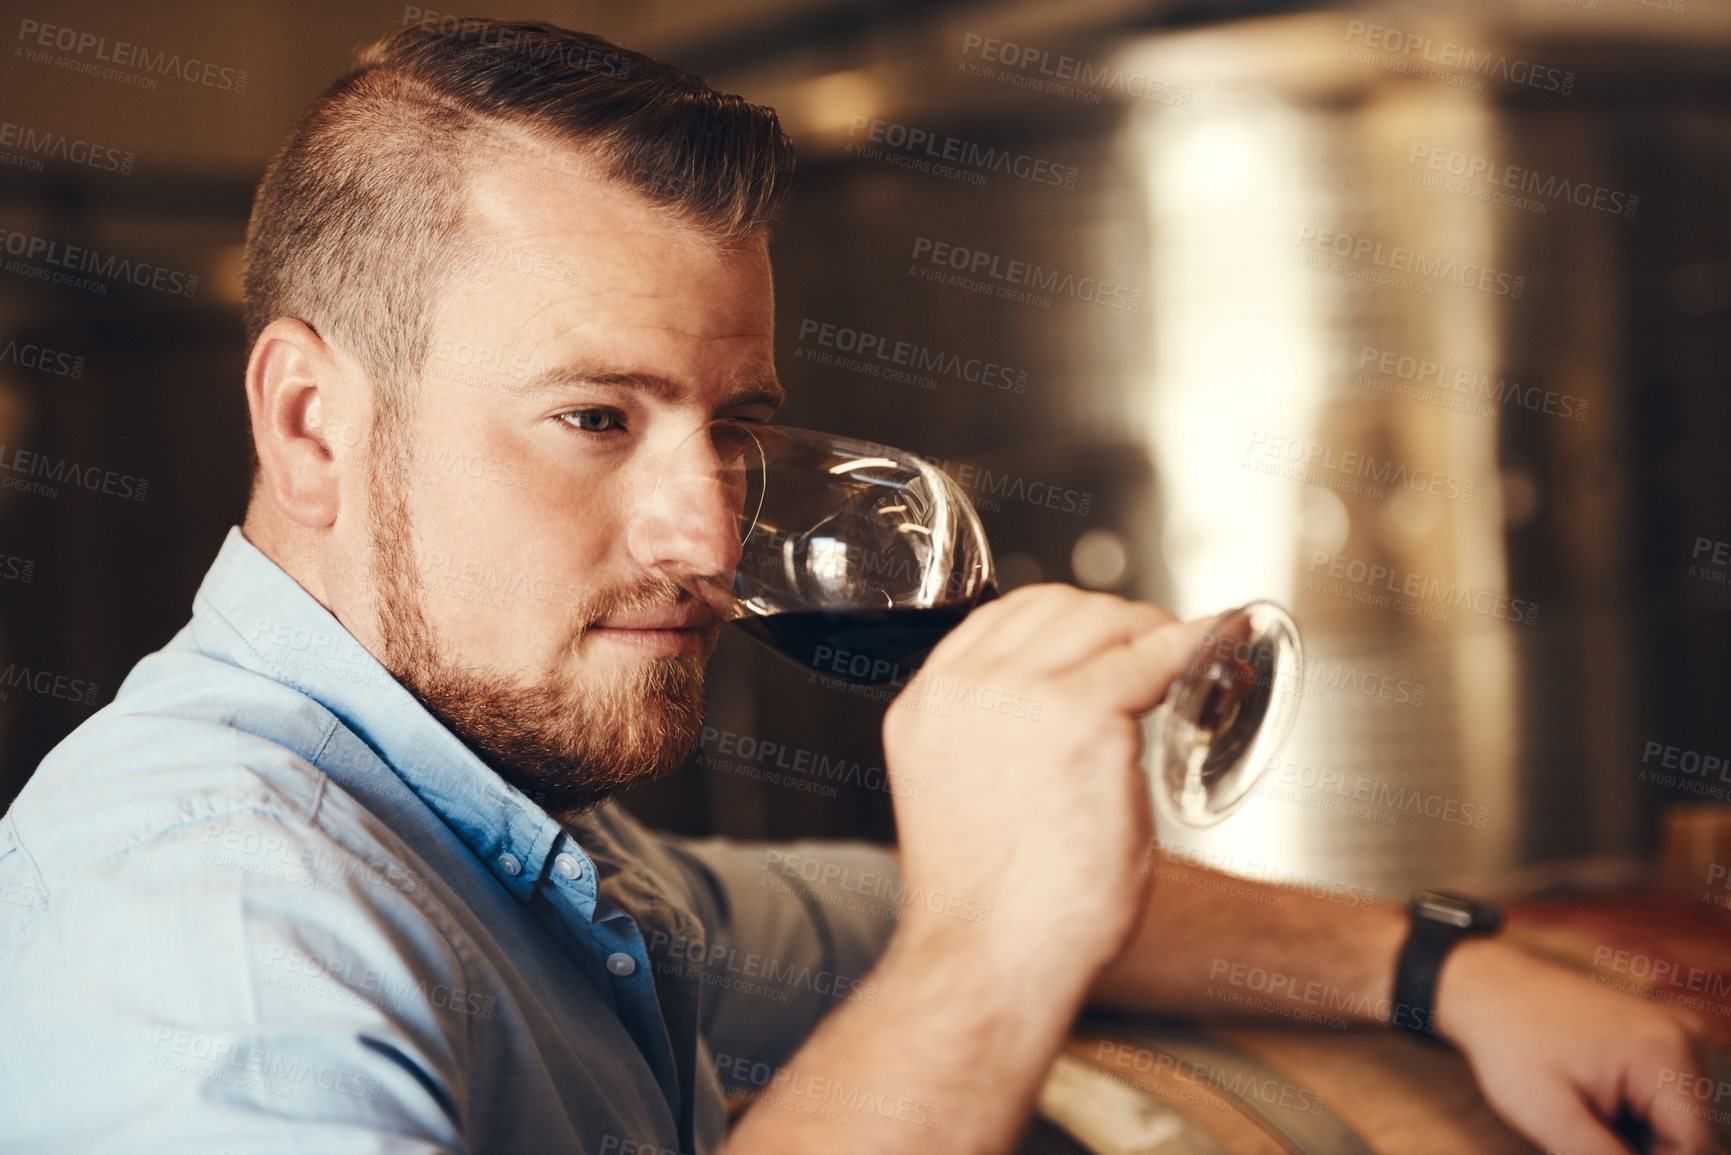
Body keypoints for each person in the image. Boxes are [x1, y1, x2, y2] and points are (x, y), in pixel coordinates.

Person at [0, 16, 1711, 1155]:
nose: (705, 526)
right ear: (310, 419)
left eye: (733, 425)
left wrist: (1435, 970)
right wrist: (988, 952)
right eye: (595, 417)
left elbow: (883, 918)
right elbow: (966, 935)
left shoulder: (492, 824)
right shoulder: (225, 930)